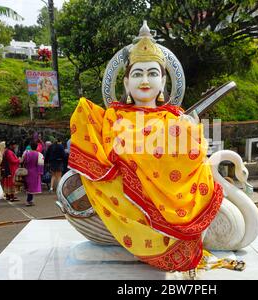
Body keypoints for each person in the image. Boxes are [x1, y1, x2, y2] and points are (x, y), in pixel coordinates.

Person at [68, 35, 225, 272]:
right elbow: (110, 153)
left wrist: (189, 131)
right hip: (126, 200)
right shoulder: (113, 117)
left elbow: (194, 158)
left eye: (152, 73)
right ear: (126, 83)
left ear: (163, 82)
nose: (145, 80)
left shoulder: (176, 117)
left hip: (175, 198)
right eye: (137, 74)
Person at [22, 140, 44, 206]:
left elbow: (22, 161)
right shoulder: (39, 155)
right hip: (35, 172)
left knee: (28, 186)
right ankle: (29, 201)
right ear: (37, 147)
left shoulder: (26, 153)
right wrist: (40, 172)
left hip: (27, 171)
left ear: (30, 147)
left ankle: (30, 200)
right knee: (32, 187)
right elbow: (40, 164)